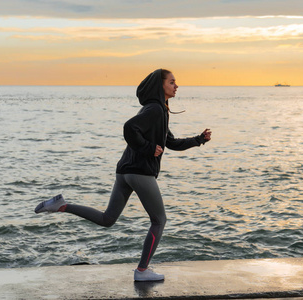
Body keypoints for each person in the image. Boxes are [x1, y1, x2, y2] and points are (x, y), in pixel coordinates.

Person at [35, 69, 211, 281]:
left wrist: (198, 139)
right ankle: (142, 271)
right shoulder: (155, 109)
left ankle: (61, 206)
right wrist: (148, 148)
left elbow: (170, 143)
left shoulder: (157, 110)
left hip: (124, 171)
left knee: (107, 219)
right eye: (172, 82)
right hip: (140, 172)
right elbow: (129, 128)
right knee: (159, 220)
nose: (176, 86)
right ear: (160, 85)